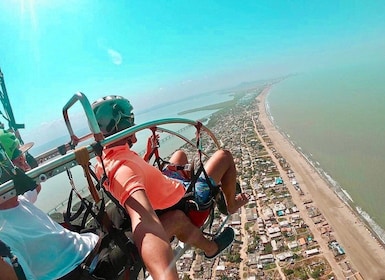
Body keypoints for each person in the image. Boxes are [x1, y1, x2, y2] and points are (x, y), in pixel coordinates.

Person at [92, 95, 249, 264]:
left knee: (179, 155)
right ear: (122, 126)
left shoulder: (106, 161)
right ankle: (230, 205)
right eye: (130, 123)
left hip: (165, 190)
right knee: (224, 156)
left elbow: (130, 177)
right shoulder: (124, 169)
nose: (134, 127)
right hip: (182, 201)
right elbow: (135, 193)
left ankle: (212, 186)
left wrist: (148, 154)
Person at [0, 134, 138, 280]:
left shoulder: (19, 201)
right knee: (148, 227)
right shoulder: (4, 235)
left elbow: (36, 186)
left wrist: (69, 145)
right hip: (88, 267)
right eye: (21, 159)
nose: (25, 163)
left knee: (122, 212)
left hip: (89, 244)